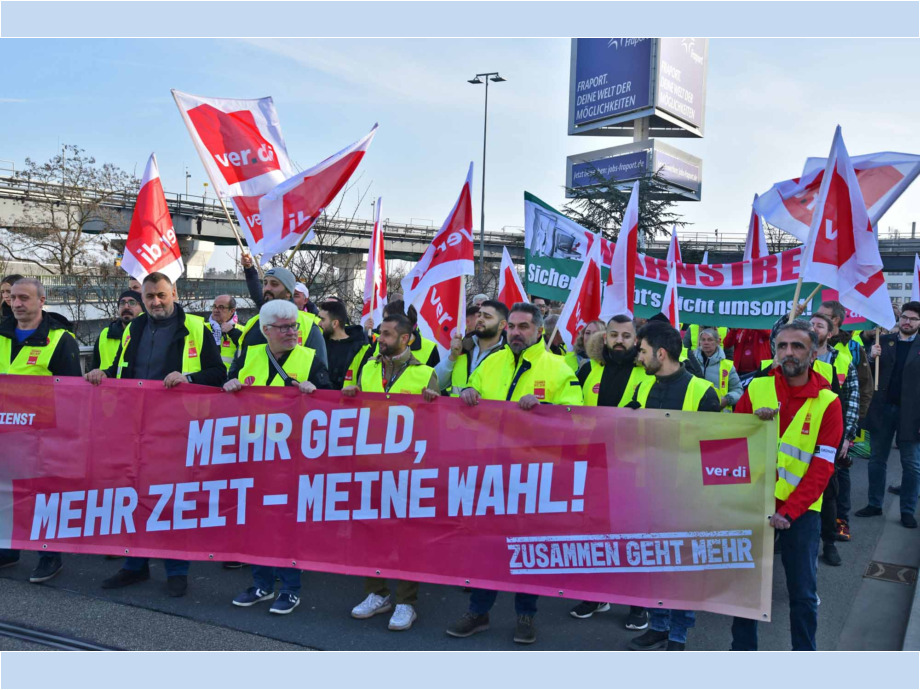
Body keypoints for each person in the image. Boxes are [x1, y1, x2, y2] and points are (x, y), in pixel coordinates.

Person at [447, 302, 582, 645]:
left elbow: (575, 414)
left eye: (524, 327)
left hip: (533, 475)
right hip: (489, 472)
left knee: (527, 548)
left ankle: (526, 615)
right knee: (486, 546)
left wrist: (545, 411)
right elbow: (460, 397)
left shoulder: (558, 368)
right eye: (513, 327)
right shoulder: (490, 362)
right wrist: (465, 391)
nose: (517, 333)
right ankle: (479, 611)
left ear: (539, 331)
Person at [85, 271, 226, 597]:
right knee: (133, 498)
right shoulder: (134, 328)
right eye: (149, 297)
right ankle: (134, 565)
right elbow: (123, 368)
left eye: (161, 295)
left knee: (171, 500)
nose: (155, 302)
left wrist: (188, 378)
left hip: (177, 428)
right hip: (134, 427)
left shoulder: (196, 328)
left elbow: (219, 373)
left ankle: (176, 569)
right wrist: (101, 373)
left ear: (173, 293)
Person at [731, 321, 842, 651]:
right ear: (775, 351)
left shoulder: (828, 402)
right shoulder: (756, 390)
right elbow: (731, 447)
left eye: (797, 346)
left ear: (813, 352)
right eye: (782, 346)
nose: (788, 352)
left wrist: (789, 512)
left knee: (803, 595)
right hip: (753, 504)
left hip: (802, 512)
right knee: (746, 594)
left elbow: (822, 469)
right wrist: (752, 425)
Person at [225, 300, 331, 615]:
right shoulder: (250, 355)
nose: (292, 332)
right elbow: (229, 388)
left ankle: (290, 588)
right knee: (255, 521)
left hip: (292, 458)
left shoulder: (310, 358)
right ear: (266, 330)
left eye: (294, 326)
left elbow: (330, 404)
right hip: (253, 454)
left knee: (285, 524)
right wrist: (229, 385)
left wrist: (317, 394)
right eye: (284, 327)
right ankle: (261, 585)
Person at [625, 320, 720, 651]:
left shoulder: (703, 392)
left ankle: (678, 634)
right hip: (649, 492)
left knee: (682, 569)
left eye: (643, 350)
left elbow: (715, 451)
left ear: (661, 353)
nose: (639, 356)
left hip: (687, 498)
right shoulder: (643, 388)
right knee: (654, 563)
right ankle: (659, 624)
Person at [344, 313, 439, 632]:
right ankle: (376, 593)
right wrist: (349, 396)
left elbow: (437, 424)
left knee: (407, 535)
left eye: (385, 334)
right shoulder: (366, 366)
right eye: (379, 333)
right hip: (370, 465)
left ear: (405, 338)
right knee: (371, 531)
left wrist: (435, 403)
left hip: (408, 469)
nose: (379, 338)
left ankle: (406, 602)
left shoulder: (426, 374)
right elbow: (351, 410)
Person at [571, 314, 653, 629]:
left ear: (636, 340)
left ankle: (637, 603)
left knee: (631, 535)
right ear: (605, 338)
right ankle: (597, 594)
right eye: (614, 335)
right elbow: (570, 408)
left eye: (626, 336)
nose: (619, 341)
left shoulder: (647, 372)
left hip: (631, 466)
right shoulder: (587, 368)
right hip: (592, 463)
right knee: (593, 532)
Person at [0, 277, 81, 581]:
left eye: (24, 298)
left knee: (44, 496)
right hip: (5, 432)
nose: (17, 303)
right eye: (13, 298)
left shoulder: (60, 340)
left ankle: (50, 555)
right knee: (5, 493)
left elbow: (73, 393)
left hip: (41, 434)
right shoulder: (1, 334)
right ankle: (8, 549)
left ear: (41, 301)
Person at [856, 301, 920, 529]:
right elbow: (865, 370)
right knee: (876, 460)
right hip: (883, 409)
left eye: (913, 319)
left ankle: (907, 510)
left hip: (911, 414)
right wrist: (871, 356)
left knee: (911, 465)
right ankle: (874, 504)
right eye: (905, 317)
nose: (907, 321)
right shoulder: (883, 342)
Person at [816, 300, 874, 542]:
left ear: (834, 323)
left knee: (839, 477)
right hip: (807, 428)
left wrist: (850, 433)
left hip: (838, 429)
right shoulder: (798, 349)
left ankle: (841, 521)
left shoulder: (851, 349)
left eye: (821, 317)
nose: (814, 321)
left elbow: (862, 390)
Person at [807, 313, 859, 566]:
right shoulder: (781, 360)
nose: (812, 328)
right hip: (791, 442)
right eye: (809, 324)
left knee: (827, 494)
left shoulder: (834, 365)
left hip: (825, 441)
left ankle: (828, 542)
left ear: (830, 333)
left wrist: (846, 438)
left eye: (819, 325)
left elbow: (847, 403)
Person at [238, 259, 327, 368]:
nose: (267, 288)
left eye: (274, 284)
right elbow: (238, 364)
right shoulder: (253, 323)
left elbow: (321, 372)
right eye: (265, 283)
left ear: (289, 293)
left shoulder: (309, 326)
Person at [436, 300, 508, 396]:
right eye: (479, 315)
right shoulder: (462, 346)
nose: (480, 319)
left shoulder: (508, 354)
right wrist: (452, 357)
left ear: (502, 324)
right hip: (455, 410)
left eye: (487, 317)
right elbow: (437, 383)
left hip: (488, 411)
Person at [318, 299, 368, 390]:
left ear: (335, 323)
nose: (319, 323)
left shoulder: (361, 349)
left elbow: (365, 384)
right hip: (318, 402)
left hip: (348, 402)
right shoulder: (319, 344)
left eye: (322, 319)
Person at [91, 290, 143, 371]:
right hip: (107, 383)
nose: (126, 306)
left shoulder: (147, 334)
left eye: (132, 302)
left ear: (143, 308)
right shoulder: (105, 334)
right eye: (122, 303)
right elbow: (94, 366)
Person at [693, 327, 742, 411]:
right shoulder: (692, 362)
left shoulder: (727, 365)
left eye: (710, 340)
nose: (706, 343)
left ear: (717, 342)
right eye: (703, 340)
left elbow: (738, 390)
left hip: (720, 414)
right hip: (695, 411)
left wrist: (727, 399)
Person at [206, 294, 244, 372]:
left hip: (231, 381)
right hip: (207, 380)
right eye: (214, 306)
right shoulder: (203, 328)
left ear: (232, 311)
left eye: (221, 307)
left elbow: (247, 352)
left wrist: (232, 332)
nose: (216, 310)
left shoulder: (242, 330)